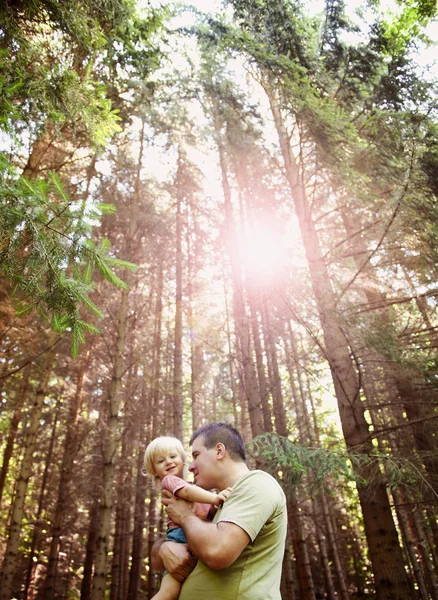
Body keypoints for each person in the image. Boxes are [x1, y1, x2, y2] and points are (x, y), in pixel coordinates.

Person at [156, 422, 287, 600]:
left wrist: (185, 516)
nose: (191, 466)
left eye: (196, 455)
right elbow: (159, 559)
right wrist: (165, 547)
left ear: (219, 451)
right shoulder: (219, 506)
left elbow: (217, 551)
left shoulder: (257, 483)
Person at [143, 436, 232, 600]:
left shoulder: (194, 487)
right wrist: (214, 498)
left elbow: (203, 510)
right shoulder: (171, 481)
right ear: (155, 470)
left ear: (183, 459)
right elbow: (186, 493)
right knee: (168, 593)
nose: (168, 462)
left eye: (173, 456)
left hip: (192, 534)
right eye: (161, 461)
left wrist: (213, 507)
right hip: (180, 537)